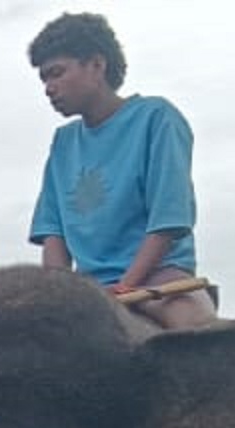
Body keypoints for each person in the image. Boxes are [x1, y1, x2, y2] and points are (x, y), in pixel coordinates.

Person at [25, 12, 216, 330]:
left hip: (160, 279)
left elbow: (168, 220)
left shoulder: (157, 118)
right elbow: (53, 235)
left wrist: (127, 286)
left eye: (57, 73)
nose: (48, 88)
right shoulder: (63, 143)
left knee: (199, 334)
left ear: (97, 65)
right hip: (88, 290)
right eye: (43, 79)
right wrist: (61, 297)